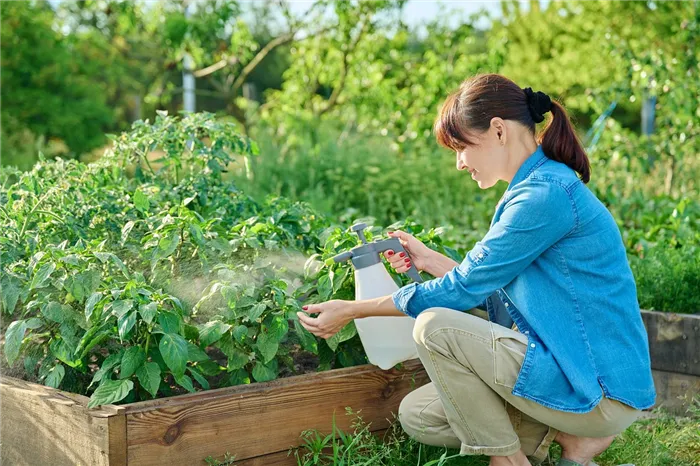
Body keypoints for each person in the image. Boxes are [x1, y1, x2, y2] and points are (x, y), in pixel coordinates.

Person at [296, 73, 656, 466]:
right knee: (419, 414)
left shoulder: (543, 195)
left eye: (461, 147)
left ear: (498, 131)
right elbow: (497, 295)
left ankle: (513, 459)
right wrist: (430, 261)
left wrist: (352, 309)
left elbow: (464, 289)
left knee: (434, 326)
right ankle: (563, 443)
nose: (459, 163)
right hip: (564, 365)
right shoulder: (532, 186)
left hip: (594, 384)